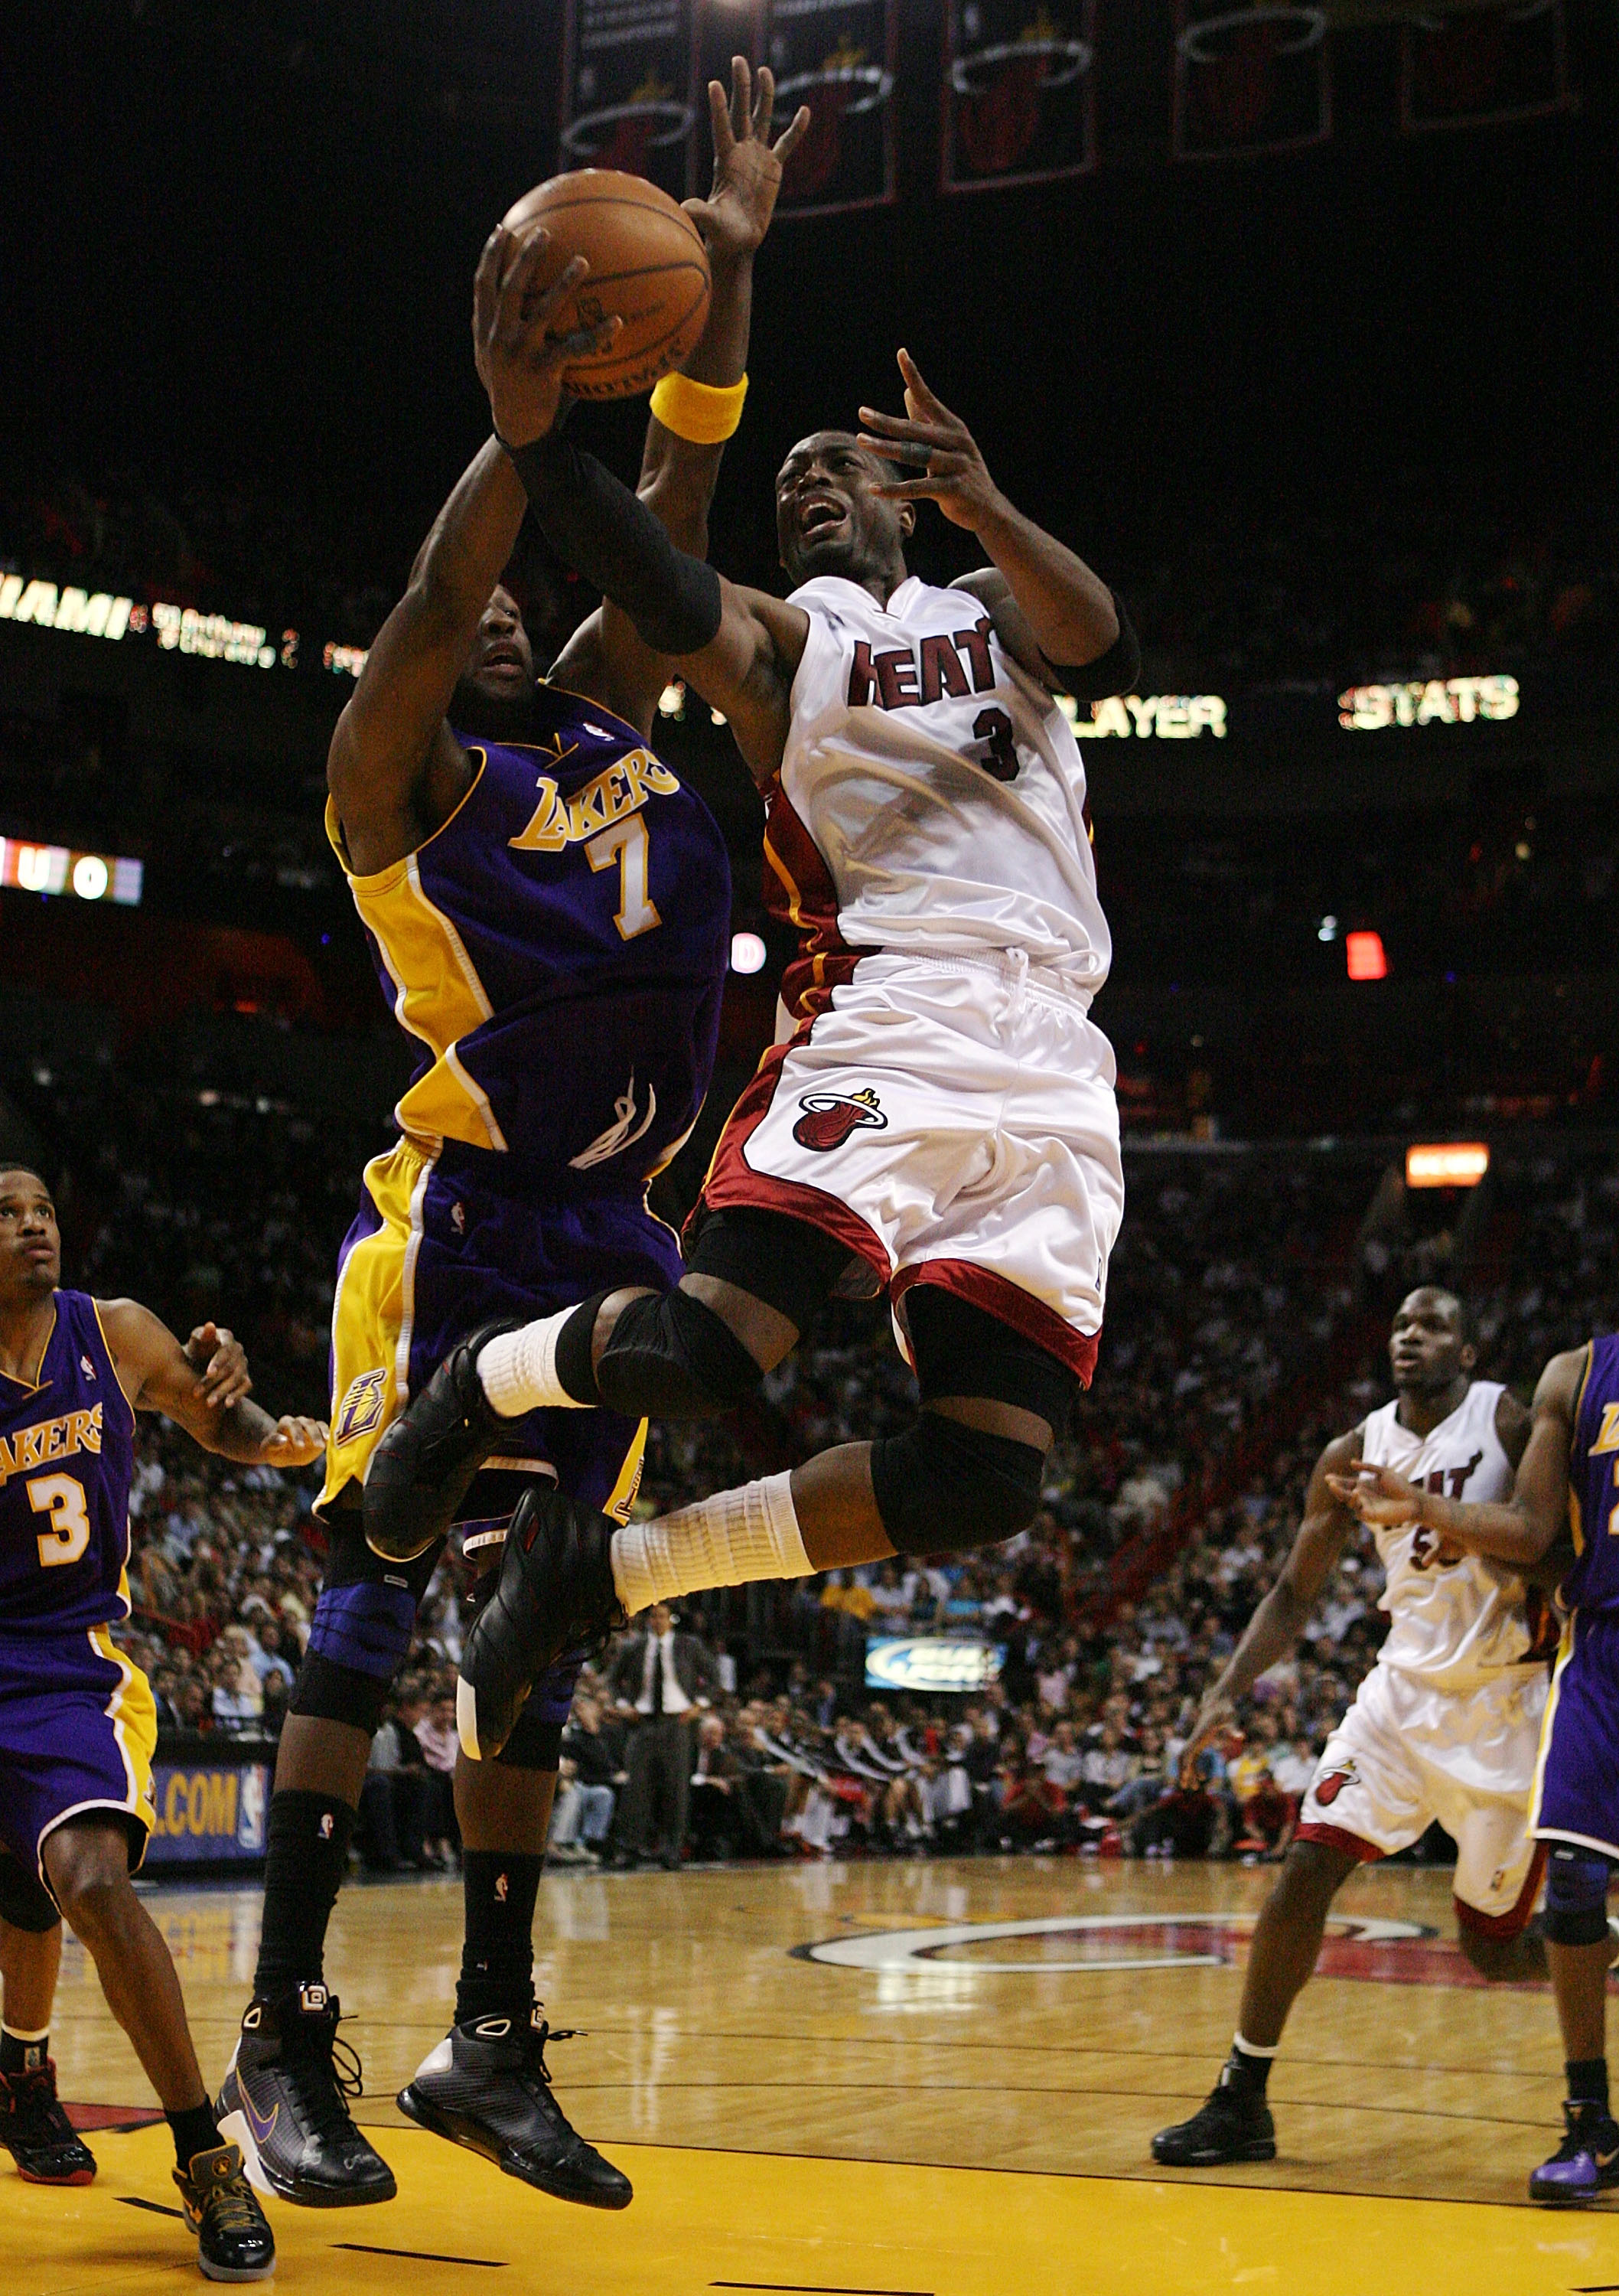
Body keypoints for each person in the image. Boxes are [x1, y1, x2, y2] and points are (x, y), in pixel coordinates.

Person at [216, 60, 806, 2216]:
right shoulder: (400, 777)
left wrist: (719, 280)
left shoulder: (591, 702)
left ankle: (490, 2042)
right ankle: (282, 2036)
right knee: (376, 1594)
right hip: (465, 1227)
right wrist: (512, 410)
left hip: (621, 1236)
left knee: (543, 1612)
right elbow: (438, 592)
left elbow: (684, 489)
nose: (495, 611)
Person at [363, 208, 1142, 1766]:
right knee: (713, 1353)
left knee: (983, 1480)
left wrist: (987, 499)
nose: (804, 481)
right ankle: (473, 1379)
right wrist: (537, 446)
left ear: (903, 501)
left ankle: (604, 1577)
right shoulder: (795, 644)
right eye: (787, 477)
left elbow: (1098, 638)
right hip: (897, 1011)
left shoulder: (993, 616)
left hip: (1058, 1057)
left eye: (832, 465)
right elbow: (656, 580)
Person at [0, 1166, 324, 2276]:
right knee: (19, 1884)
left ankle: (202, 2157)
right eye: (5, 1213)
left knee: (87, 1879)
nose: (33, 1224)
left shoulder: (115, 1332)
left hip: (61, 1670)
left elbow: (219, 1421)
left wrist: (253, 1415)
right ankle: (24, 2069)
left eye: (41, 1207)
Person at [1153, 1289, 1555, 2170]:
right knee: (1303, 1872)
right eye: (1402, 1325)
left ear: (1469, 1345)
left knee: (1493, 1954)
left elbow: (1548, 1547)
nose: (1412, 1337)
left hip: (1508, 1707)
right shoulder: (1353, 1449)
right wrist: (1224, 1691)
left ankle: (1596, 1965)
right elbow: (1296, 1592)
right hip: (1399, 1699)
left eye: (1435, 1324)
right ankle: (1241, 2098)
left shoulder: (1508, 1418)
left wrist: (1427, 1510)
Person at [1336, 1329, 1619, 2203]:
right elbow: (1534, 1531)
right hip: (1603, 1646)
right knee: (1571, 1888)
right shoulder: (1575, 1371)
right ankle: (1591, 2125)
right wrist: (1424, 1507)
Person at [607, 1603, 721, 1867]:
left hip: (678, 1723)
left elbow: (714, 1676)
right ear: (647, 1620)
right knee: (636, 1788)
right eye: (653, 1616)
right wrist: (624, 1705)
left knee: (676, 1789)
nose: (657, 1620)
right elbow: (613, 1679)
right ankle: (629, 1848)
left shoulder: (688, 1645)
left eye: (662, 1616)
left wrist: (700, 1705)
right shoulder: (634, 1647)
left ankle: (673, 1850)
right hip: (643, 1723)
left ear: (671, 1619)